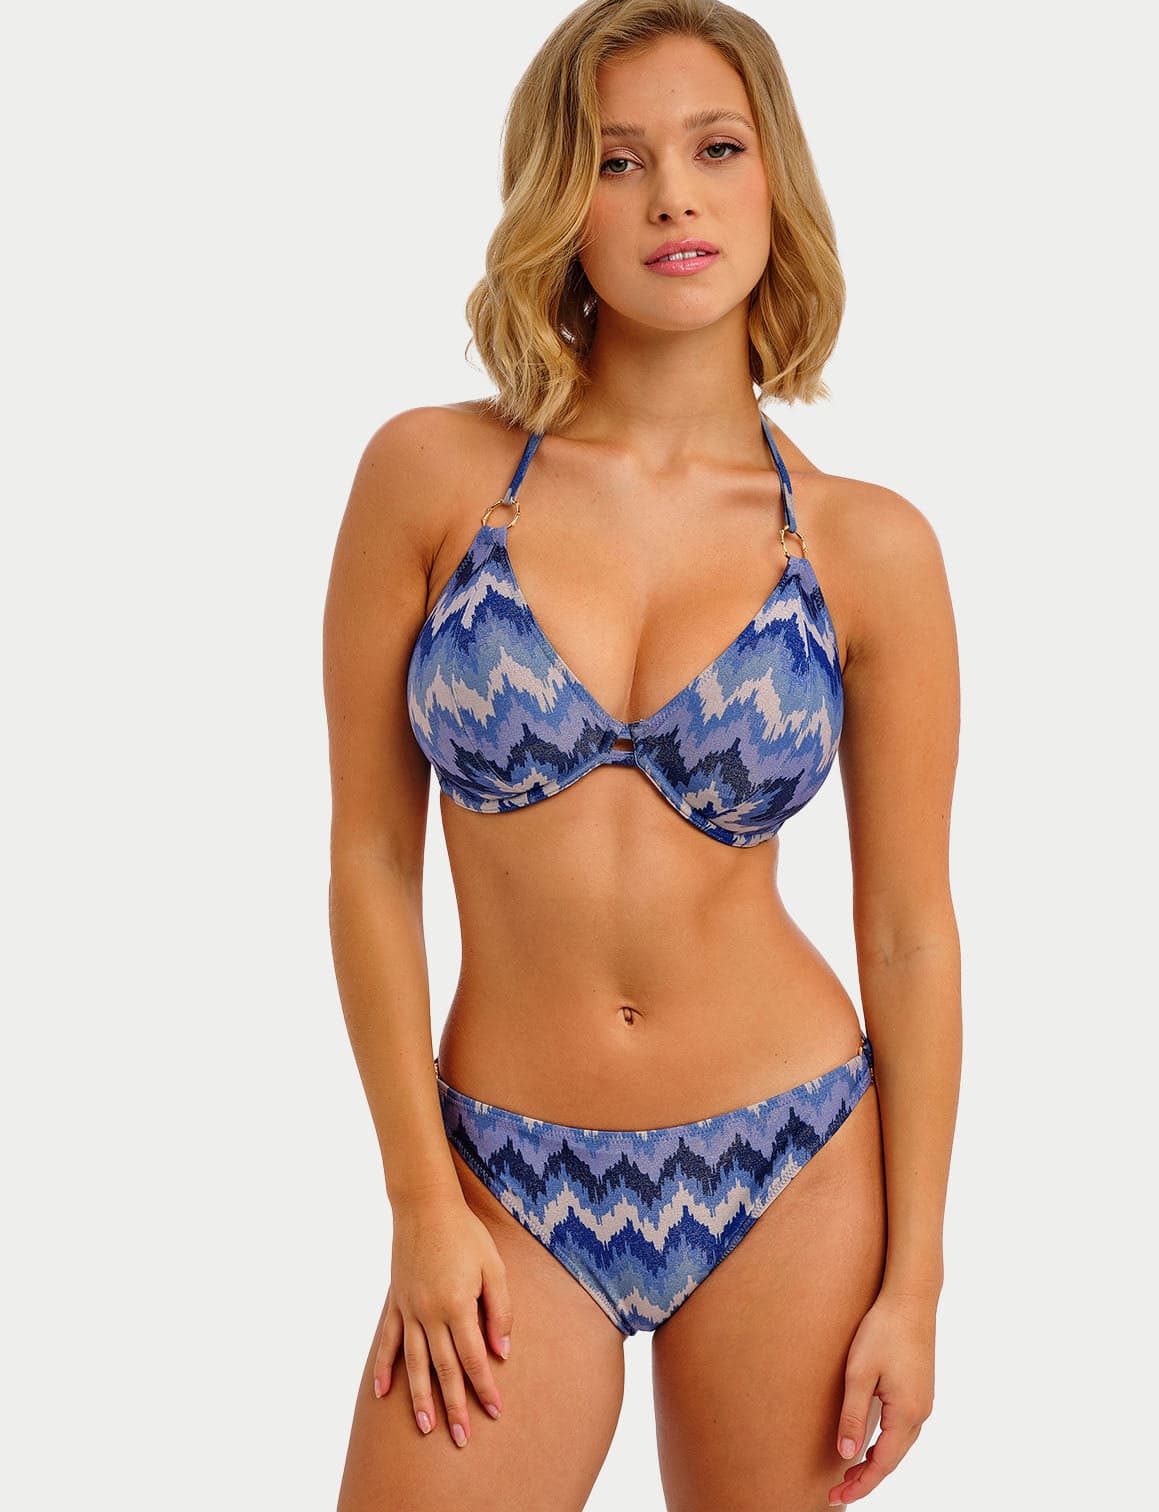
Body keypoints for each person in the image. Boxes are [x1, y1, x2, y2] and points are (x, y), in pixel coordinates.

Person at [324, 2, 961, 1507]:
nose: (673, 197)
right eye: (617, 161)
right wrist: (419, 1198)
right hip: (498, 1173)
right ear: (562, 202)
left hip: (791, 1163)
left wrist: (916, 1283)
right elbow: (368, 860)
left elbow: (908, 928)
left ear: (773, 181)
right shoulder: (431, 477)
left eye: (715, 148)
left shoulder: (868, 547)